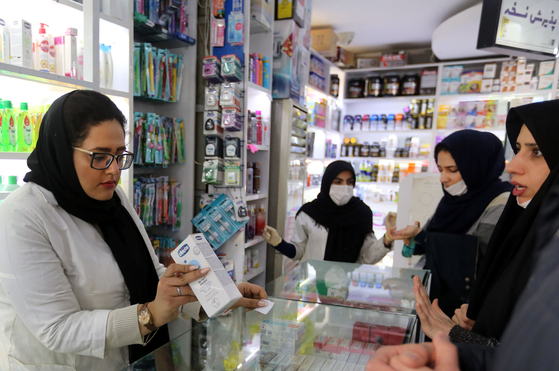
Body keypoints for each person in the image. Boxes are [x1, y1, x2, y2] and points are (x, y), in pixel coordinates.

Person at [0, 90, 268, 371]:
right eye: (101, 156)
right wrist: (149, 315)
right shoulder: (22, 216)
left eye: (120, 156)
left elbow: (151, 277)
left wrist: (219, 295)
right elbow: (57, 328)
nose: (114, 170)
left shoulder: (114, 200)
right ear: (62, 152)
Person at [409, 100, 559, 346]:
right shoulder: (519, 213)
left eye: (537, 151)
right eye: (518, 148)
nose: (513, 167)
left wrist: (461, 335)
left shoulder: (504, 206)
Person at [391, 130, 512, 317]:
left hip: (466, 315)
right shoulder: (452, 200)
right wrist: (417, 239)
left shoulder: (500, 204)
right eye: (441, 169)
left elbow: (479, 257)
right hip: (437, 307)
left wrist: (424, 238)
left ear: (476, 166)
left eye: (452, 170)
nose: (443, 178)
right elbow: (435, 239)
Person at [262, 160, 398, 265]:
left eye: (349, 182)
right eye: (338, 182)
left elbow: (367, 257)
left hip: (345, 286)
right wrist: (278, 242)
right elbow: (298, 252)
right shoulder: (309, 213)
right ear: (327, 183)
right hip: (312, 285)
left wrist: (388, 238)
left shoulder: (362, 213)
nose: (344, 187)